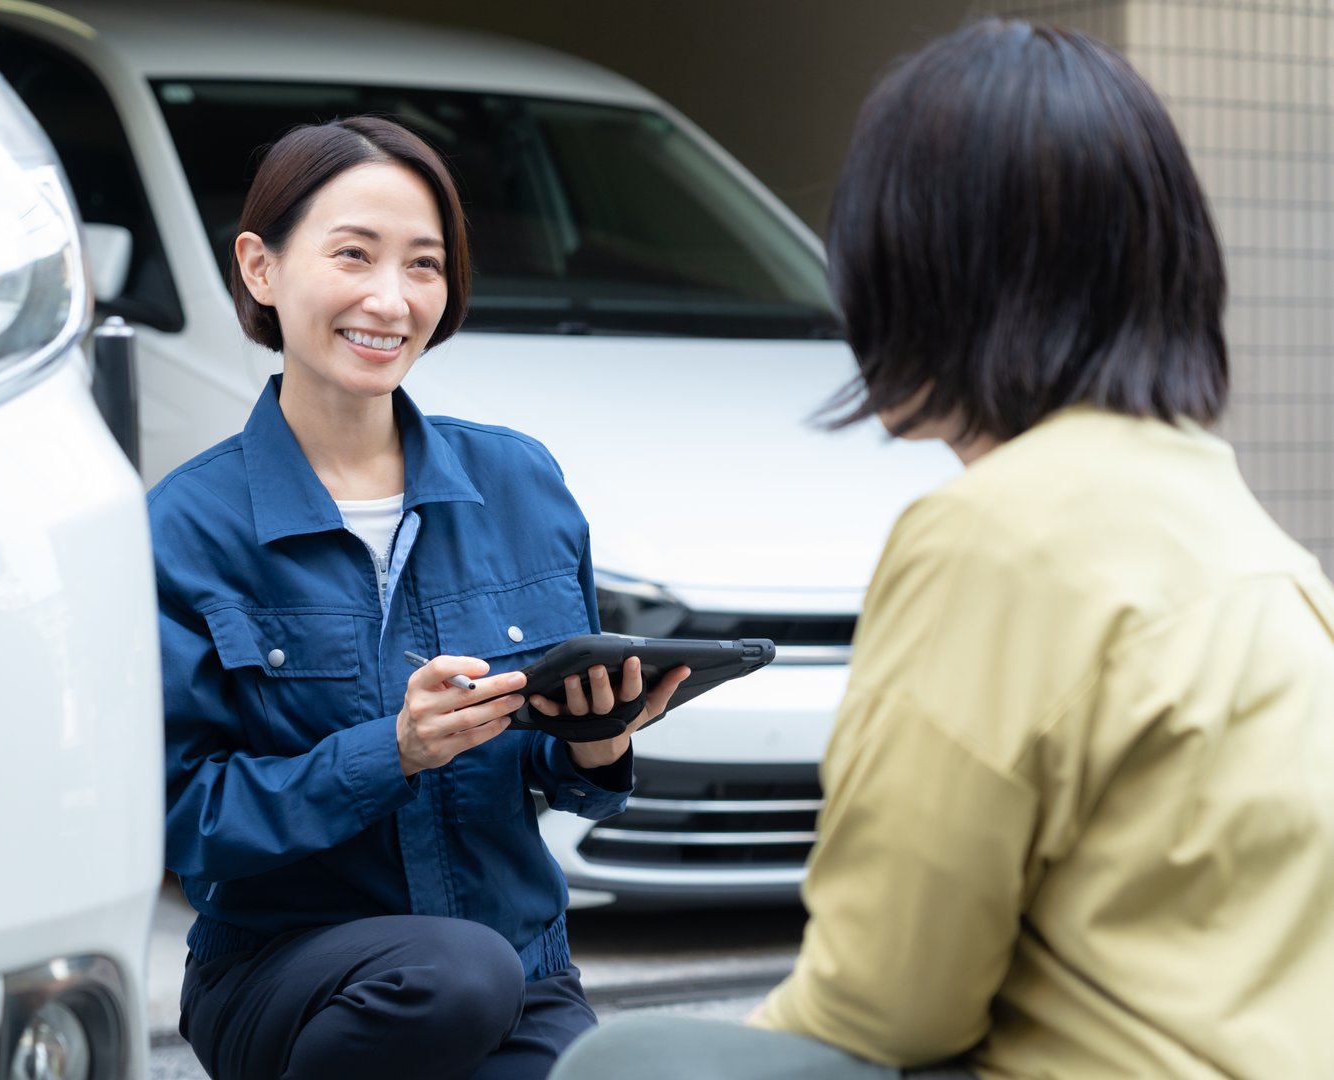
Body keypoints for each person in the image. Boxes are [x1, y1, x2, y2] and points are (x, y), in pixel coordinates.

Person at [550, 19, 1334, 1080]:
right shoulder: (1254, 538)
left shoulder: (996, 531)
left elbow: (886, 999)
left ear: (908, 264)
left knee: (626, 1061)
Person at [147, 115, 688, 1080]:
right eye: (353, 254)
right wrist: (388, 752)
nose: (390, 300)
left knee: (515, 998)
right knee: (453, 972)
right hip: (289, 978)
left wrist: (599, 739)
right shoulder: (187, 528)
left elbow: (561, 779)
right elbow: (183, 816)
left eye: (424, 265)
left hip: (519, 972)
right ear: (261, 268)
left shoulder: (522, 482)